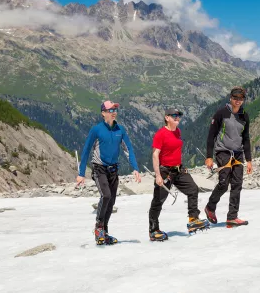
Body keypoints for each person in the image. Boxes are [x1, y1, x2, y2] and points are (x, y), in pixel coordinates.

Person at [77, 100, 142, 245]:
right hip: (99, 168)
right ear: (103, 113)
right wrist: (81, 173)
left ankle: (104, 232)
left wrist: (135, 168)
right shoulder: (96, 130)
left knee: (111, 201)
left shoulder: (120, 130)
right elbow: (86, 150)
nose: (114, 112)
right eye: (111, 110)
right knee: (105, 196)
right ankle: (98, 227)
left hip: (113, 170)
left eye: (115, 110)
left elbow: (128, 150)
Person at [149, 108, 209, 241]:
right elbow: (155, 155)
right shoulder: (160, 134)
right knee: (158, 200)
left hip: (178, 169)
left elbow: (175, 150)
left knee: (193, 189)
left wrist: (182, 166)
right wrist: (158, 175)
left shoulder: (177, 131)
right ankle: (153, 230)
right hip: (165, 171)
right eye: (174, 115)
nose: (177, 117)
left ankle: (193, 219)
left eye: (179, 115)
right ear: (167, 117)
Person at [203, 86, 252, 228]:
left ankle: (232, 217)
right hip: (223, 151)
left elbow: (246, 138)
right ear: (230, 98)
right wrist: (209, 156)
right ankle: (210, 207)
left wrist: (249, 160)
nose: (238, 101)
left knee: (237, 184)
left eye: (241, 99)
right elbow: (211, 135)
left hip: (238, 153)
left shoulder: (244, 116)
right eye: (235, 98)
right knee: (224, 183)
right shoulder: (221, 113)